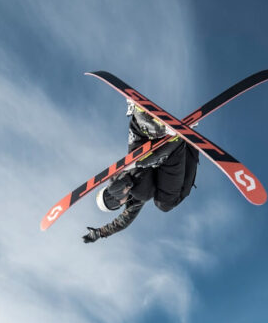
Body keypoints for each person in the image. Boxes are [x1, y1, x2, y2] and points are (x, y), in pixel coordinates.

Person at [82, 102, 199, 243]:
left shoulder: (118, 179)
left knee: (135, 163)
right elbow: (122, 222)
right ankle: (183, 142)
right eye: (115, 206)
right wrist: (100, 233)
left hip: (149, 145)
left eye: (113, 201)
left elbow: (117, 184)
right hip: (170, 157)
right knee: (164, 204)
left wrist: (119, 189)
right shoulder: (135, 201)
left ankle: (141, 116)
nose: (118, 203)